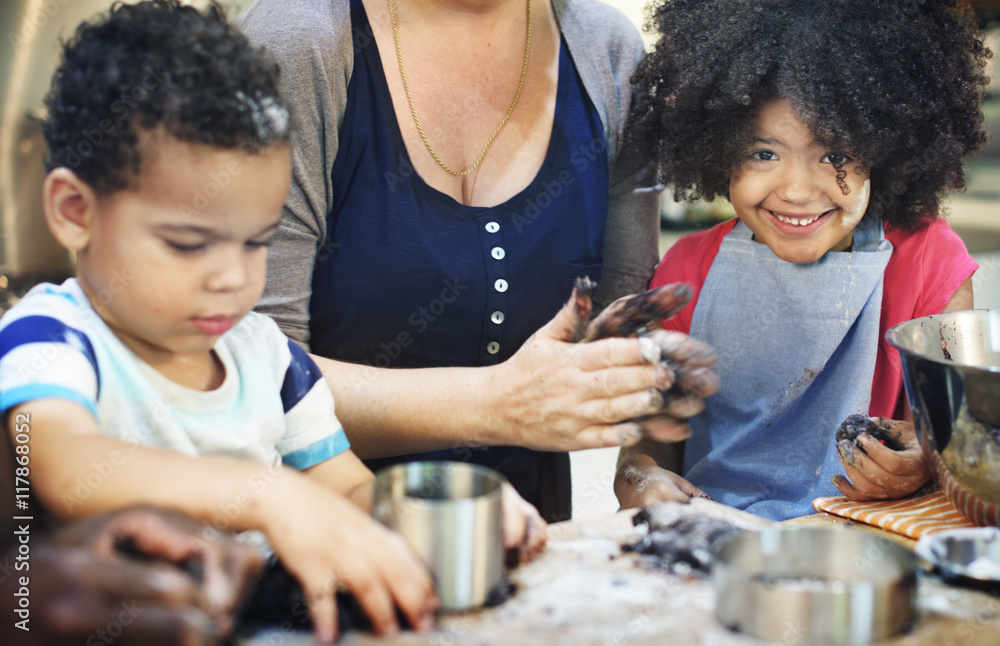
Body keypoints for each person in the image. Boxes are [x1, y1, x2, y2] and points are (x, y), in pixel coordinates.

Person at [0, 2, 466, 642]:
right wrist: (268, 494)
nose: (231, 278)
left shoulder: (268, 358)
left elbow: (347, 488)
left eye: (256, 243)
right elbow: (64, 468)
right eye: (189, 244)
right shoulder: (52, 337)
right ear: (75, 210)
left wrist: (448, 518)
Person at [234, 0, 711, 523]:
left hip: (524, 546)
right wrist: (496, 405)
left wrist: (638, 385)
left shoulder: (606, 52)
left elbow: (610, 323)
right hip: (315, 547)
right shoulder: (299, 43)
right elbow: (249, 373)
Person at [614, 0, 990, 520]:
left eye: (834, 154)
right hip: (718, 547)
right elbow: (647, 448)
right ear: (716, 147)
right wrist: (639, 478)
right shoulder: (684, 273)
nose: (795, 190)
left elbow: (970, 442)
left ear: (886, 151)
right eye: (763, 153)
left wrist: (929, 459)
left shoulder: (931, 264)